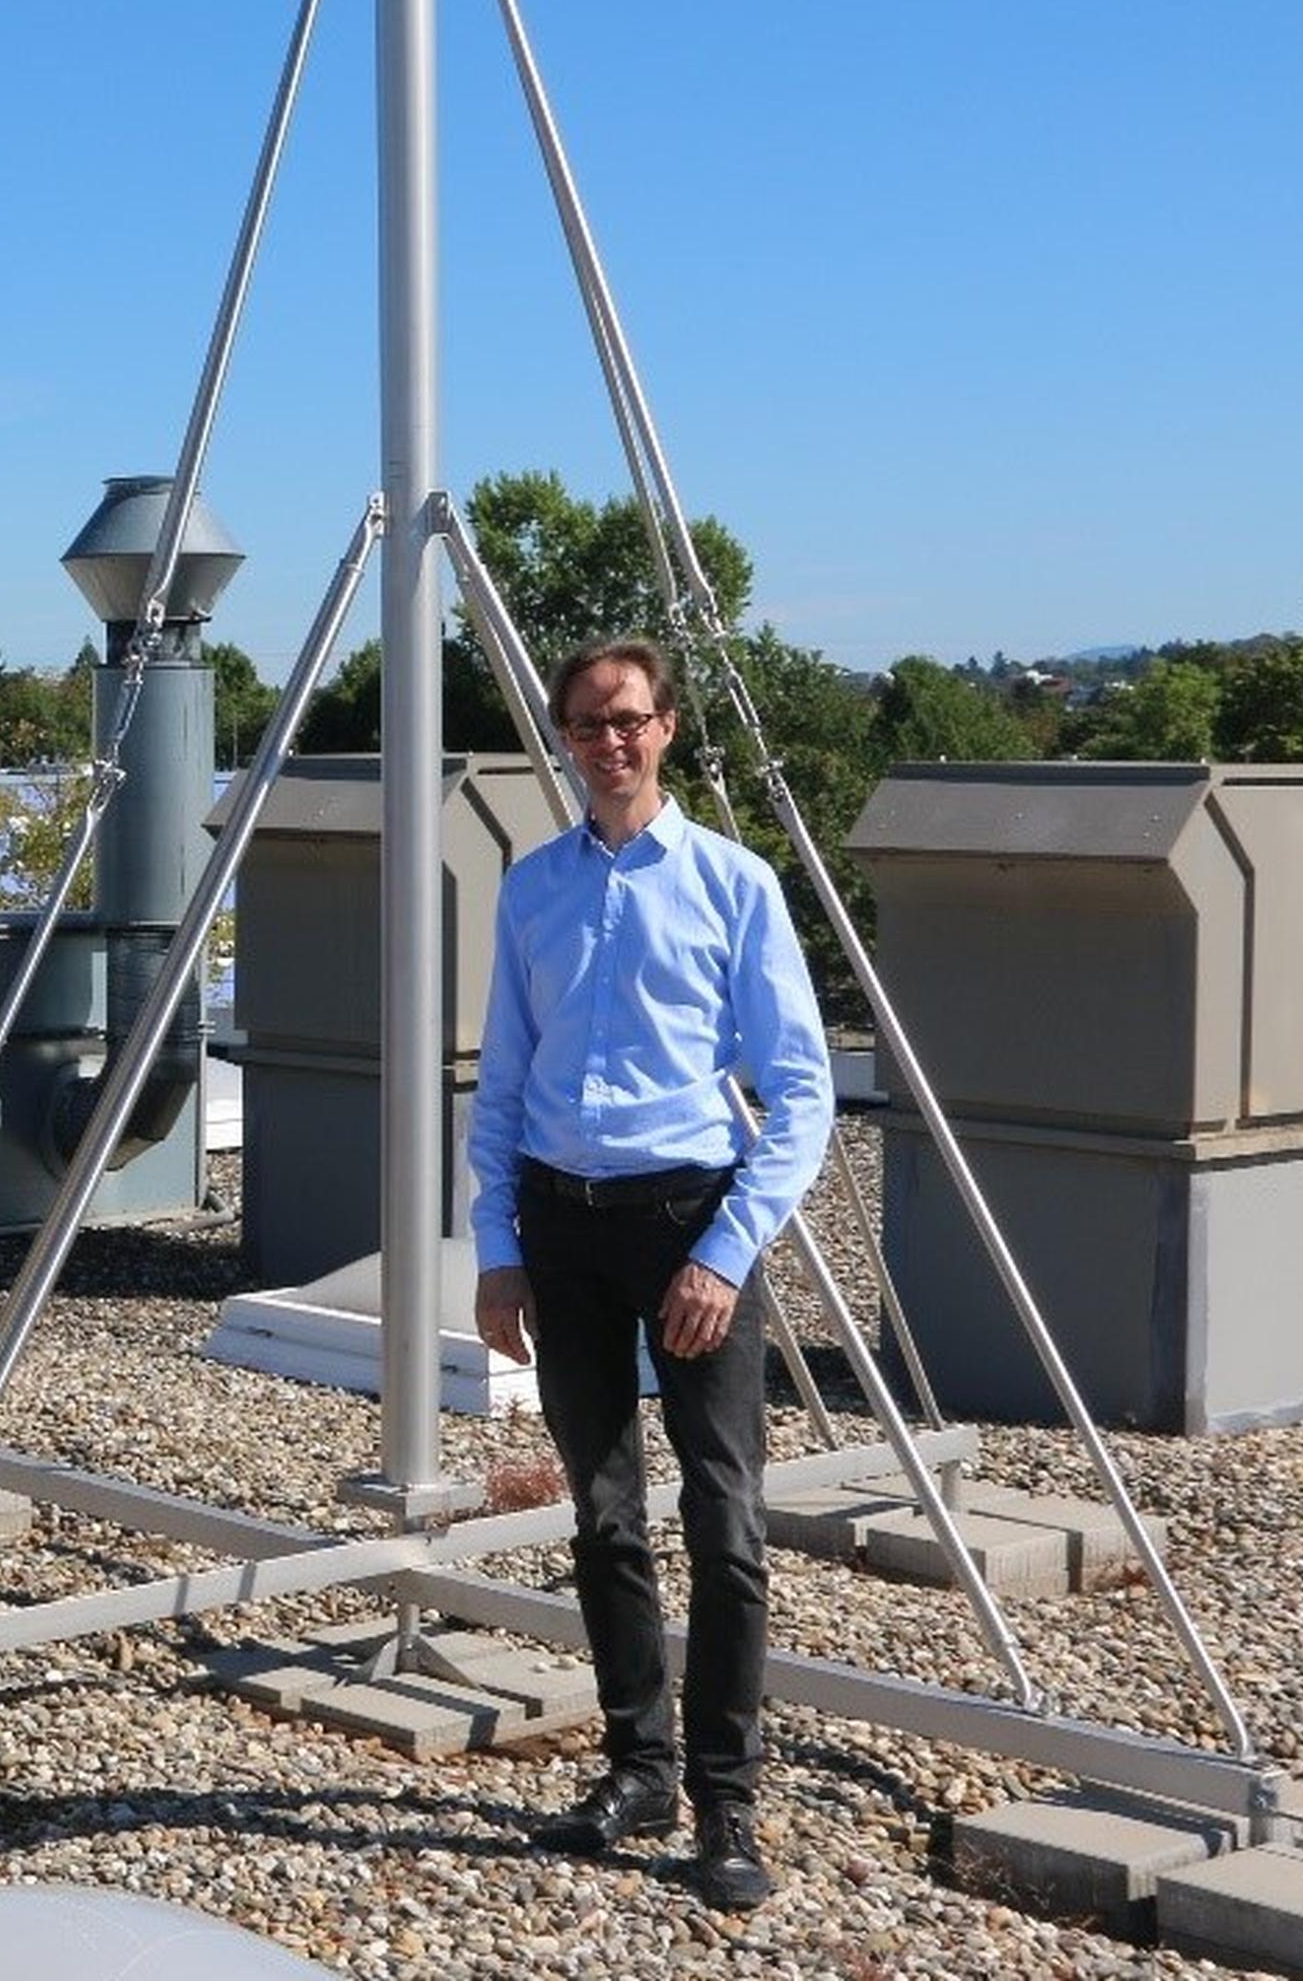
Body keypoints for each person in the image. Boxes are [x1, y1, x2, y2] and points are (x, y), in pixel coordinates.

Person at [468, 637, 832, 1911]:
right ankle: (640, 1765)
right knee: (604, 1515)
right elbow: (502, 1084)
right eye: (582, 724)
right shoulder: (531, 891)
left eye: (625, 720)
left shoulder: (735, 887)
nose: (605, 742)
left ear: (666, 729)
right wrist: (499, 1250)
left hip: (691, 1227)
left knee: (724, 1526)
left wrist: (727, 1253)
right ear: (564, 741)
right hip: (563, 1228)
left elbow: (800, 1093)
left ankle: (728, 1805)